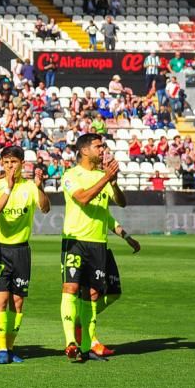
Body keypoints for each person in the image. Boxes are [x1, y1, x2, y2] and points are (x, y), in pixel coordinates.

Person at [60, 133, 126, 362]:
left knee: (93, 294)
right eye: (98, 146)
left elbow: (121, 202)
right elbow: (83, 198)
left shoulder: (102, 176)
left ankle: (86, 347)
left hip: (98, 243)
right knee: (70, 288)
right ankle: (70, 342)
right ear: (84, 150)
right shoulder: (71, 175)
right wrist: (106, 178)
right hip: (75, 240)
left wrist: (114, 183)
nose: (103, 149)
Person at [0, 146, 50, 364]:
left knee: (18, 301)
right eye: (7, 162)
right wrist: (8, 189)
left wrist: (40, 188)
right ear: (1, 163)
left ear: (22, 163)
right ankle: (1, 349)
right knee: (0, 300)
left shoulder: (30, 187)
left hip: (21, 249)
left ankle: (10, 347)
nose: (10, 166)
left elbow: (45, 208)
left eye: (14, 162)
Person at [84, 224, 142, 356]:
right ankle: (91, 341)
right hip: (85, 246)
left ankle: (80, 320)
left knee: (114, 292)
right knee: (93, 293)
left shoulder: (103, 203)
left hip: (101, 248)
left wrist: (127, 238)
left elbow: (109, 219)